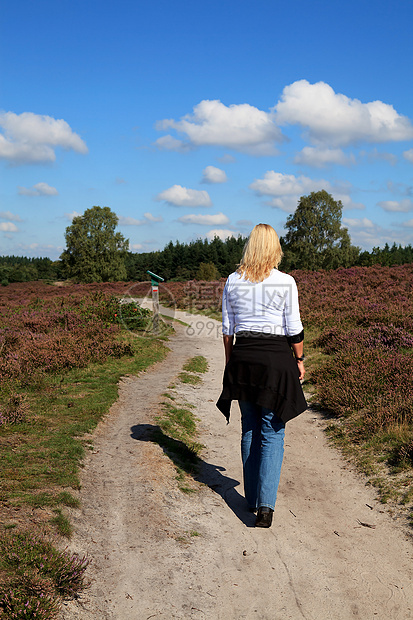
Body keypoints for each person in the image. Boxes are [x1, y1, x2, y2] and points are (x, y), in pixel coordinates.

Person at [216, 223, 307, 528]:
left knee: (249, 427)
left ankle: (251, 499)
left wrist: (231, 363)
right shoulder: (286, 282)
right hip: (275, 360)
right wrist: (300, 359)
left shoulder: (232, 280)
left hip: (244, 358)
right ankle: (265, 507)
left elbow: (228, 329)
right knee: (272, 430)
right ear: (274, 248)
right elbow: (293, 327)